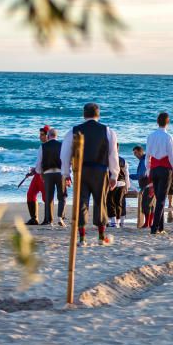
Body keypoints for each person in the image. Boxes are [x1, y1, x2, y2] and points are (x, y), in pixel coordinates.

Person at [61, 103, 119, 246]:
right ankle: (100, 237)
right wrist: (114, 175)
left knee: (81, 203)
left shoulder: (74, 131)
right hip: (101, 171)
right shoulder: (108, 131)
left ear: (84, 114)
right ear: (98, 115)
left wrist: (66, 173)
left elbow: (64, 154)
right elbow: (113, 155)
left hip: (81, 172)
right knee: (101, 203)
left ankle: (82, 239)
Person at [144, 112, 173, 235]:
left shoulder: (150, 136)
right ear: (168, 122)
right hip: (165, 169)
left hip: (154, 169)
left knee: (158, 198)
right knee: (161, 199)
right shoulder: (168, 137)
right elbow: (171, 156)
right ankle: (154, 228)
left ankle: (160, 227)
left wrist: (148, 169)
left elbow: (147, 156)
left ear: (157, 122)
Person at [39, 128, 67, 226]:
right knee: (62, 196)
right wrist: (67, 174)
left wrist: (40, 173)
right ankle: (60, 217)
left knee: (49, 197)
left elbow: (39, 162)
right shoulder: (62, 145)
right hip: (60, 173)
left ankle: (49, 220)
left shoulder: (43, 146)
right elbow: (65, 161)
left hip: (48, 173)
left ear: (48, 136)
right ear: (56, 136)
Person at [24, 126, 50, 226]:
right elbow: (39, 162)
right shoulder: (42, 146)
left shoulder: (47, 146)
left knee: (45, 198)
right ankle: (34, 218)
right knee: (30, 194)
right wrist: (34, 171)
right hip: (38, 175)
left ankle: (47, 219)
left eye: (42, 135)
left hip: (44, 175)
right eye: (40, 134)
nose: (40, 136)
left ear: (47, 135)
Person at [107, 147, 130, 228]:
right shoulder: (123, 160)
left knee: (110, 202)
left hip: (112, 183)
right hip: (122, 184)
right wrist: (127, 185)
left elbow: (106, 172)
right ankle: (118, 221)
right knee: (119, 203)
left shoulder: (108, 159)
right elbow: (126, 174)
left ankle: (113, 222)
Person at [132, 145, 153, 229]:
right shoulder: (143, 160)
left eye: (136, 153)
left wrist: (129, 176)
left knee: (146, 205)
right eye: (134, 153)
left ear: (141, 152)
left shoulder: (144, 160)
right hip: (148, 185)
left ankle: (147, 223)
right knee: (150, 205)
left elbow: (141, 175)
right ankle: (149, 223)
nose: (135, 155)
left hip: (147, 185)